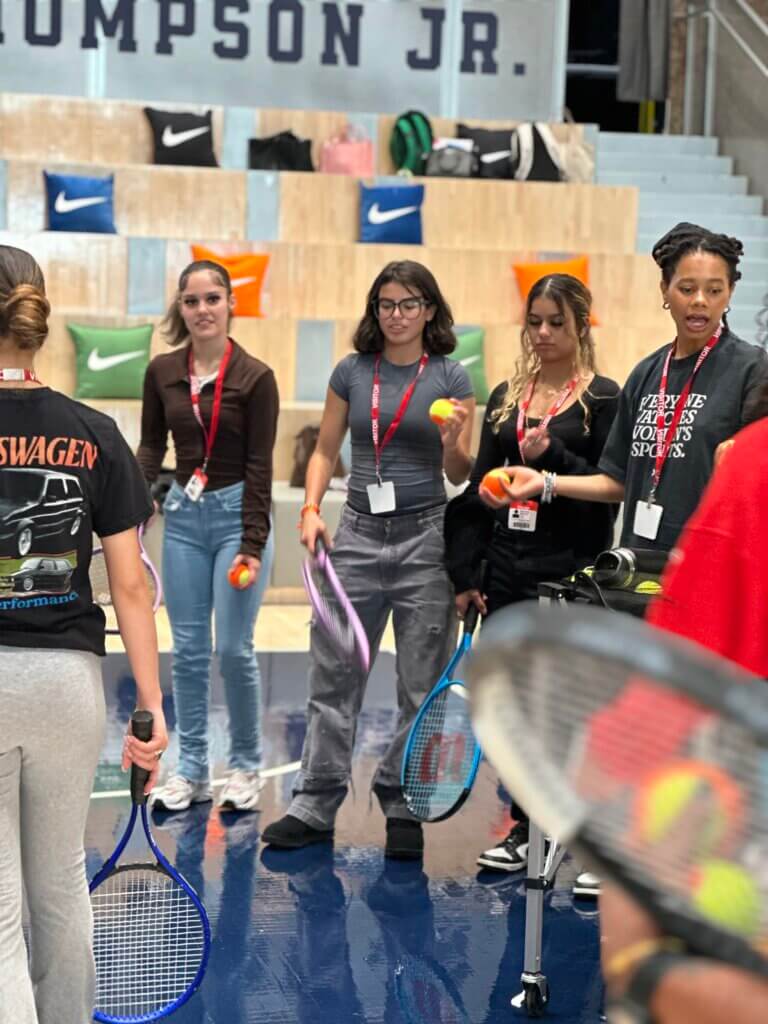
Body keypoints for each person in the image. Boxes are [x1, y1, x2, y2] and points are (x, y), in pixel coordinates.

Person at [0, 244, 167, 1024]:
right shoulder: (94, 431)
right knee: (62, 886)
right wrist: (152, 708)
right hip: (67, 684)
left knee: (1, 917)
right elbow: (129, 585)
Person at [262, 259, 475, 859]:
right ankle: (316, 799)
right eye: (386, 304)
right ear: (374, 310)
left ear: (429, 310)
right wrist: (309, 507)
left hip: (425, 540)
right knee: (333, 675)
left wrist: (453, 440)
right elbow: (326, 450)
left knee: (420, 683)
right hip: (354, 533)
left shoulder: (453, 379)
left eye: (409, 304)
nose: (397, 315)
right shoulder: (353, 372)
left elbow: (459, 472)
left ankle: (402, 800)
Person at [443, 273, 620, 874]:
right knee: (512, 709)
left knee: (566, 709)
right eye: (535, 322)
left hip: (572, 574)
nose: (543, 334)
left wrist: (551, 463)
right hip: (507, 574)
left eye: (556, 323)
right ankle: (527, 825)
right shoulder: (504, 397)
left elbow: (608, 491)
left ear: (580, 327)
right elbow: (476, 487)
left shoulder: (603, 402)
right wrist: (470, 574)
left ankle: (578, 825)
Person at [483, 223, 767, 555]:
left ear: (730, 293)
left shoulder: (752, 369)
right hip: (637, 561)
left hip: (707, 562)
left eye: (714, 290)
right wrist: (545, 482)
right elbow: (616, 482)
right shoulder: (646, 374)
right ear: (665, 290)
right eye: (687, 289)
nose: (700, 301)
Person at [137, 259, 279, 813]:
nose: (202, 310)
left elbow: (260, 465)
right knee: (190, 652)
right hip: (184, 520)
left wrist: (253, 541)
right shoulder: (162, 371)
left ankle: (246, 766)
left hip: (235, 518)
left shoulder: (256, 377)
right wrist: (132, 498)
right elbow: (152, 449)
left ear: (229, 304)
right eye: (191, 301)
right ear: (181, 308)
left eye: (212, 299)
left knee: (235, 650)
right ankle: (192, 771)